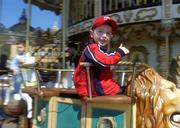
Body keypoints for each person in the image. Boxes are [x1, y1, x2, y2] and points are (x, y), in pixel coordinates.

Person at [73, 16, 129, 97]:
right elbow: (103, 61)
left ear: (111, 37)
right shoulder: (92, 48)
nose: (104, 35)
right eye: (100, 31)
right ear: (92, 34)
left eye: (108, 33)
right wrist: (119, 52)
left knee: (127, 89)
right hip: (95, 88)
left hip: (102, 85)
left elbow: (107, 60)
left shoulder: (101, 50)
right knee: (129, 92)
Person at [9, 41, 35, 118]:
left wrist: (25, 63)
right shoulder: (16, 57)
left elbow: (32, 61)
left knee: (28, 96)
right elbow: (12, 65)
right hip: (22, 78)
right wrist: (13, 69)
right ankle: (16, 92)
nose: (19, 49)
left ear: (24, 48)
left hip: (28, 79)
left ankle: (29, 110)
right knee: (25, 95)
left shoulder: (27, 55)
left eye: (20, 47)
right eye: (18, 48)